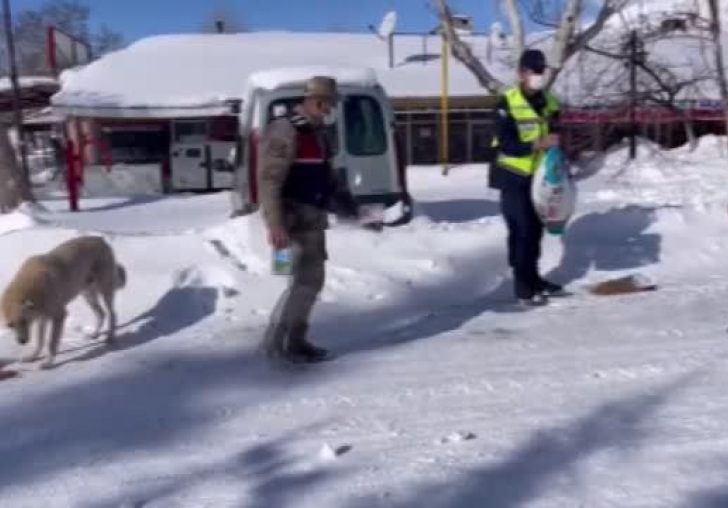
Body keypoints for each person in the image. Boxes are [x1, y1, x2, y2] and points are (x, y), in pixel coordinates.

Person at [258, 76, 359, 363]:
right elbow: (269, 181)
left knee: (312, 281)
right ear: (314, 100)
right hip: (289, 221)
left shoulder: (317, 133)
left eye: (331, 105)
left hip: (313, 219)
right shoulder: (285, 130)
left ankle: (296, 342)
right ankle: (277, 346)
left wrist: (346, 203)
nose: (329, 110)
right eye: (326, 104)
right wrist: (275, 224)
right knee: (298, 282)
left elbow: (325, 175)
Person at [489, 48, 565, 305]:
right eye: (534, 71)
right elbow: (505, 144)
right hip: (512, 176)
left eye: (542, 71)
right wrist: (536, 145)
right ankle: (523, 287)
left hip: (540, 177)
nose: (539, 77)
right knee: (520, 231)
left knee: (534, 231)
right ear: (521, 73)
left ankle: (534, 279)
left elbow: (557, 131)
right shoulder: (507, 101)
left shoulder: (551, 101)